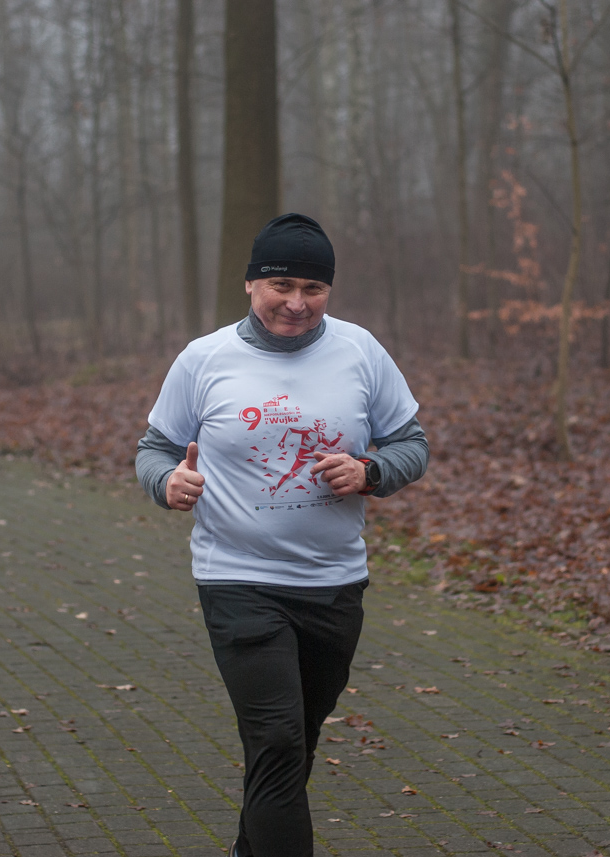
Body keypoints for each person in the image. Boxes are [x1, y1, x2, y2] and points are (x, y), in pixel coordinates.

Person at [136, 214, 428, 856]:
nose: (297, 303)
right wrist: (166, 483)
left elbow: (412, 444)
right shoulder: (205, 358)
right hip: (237, 579)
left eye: (314, 289)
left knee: (294, 745)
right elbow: (154, 448)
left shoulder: (360, 351)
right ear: (250, 284)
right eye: (282, 285)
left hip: (333, 584)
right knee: (276, 741)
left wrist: (371, 470)